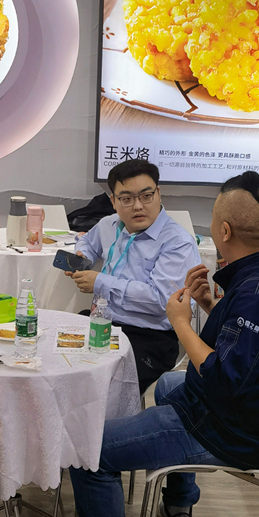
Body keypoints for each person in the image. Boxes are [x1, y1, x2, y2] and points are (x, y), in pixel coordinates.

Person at [54, 171, 259, 517]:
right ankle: (178, 503)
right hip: (240, 408)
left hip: (225, 428)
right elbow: (247, 351)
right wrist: (209, 305)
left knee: (87, 450)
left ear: (224, 231)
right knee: (166, 387)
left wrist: (180, 323)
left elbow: (223, 377)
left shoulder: (256, 294)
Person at [67, 159, 200, 394]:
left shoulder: (177, 242)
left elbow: (162, 301)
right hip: (102, 321)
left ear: (158, 194)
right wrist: (83, 255)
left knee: (98, 386)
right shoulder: (109, 224)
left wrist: (100, 282)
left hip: (149, 336)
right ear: (113, 201)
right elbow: (86, 240)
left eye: (146, 196)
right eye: (127, 199)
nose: (138, 206)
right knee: (57, 359)